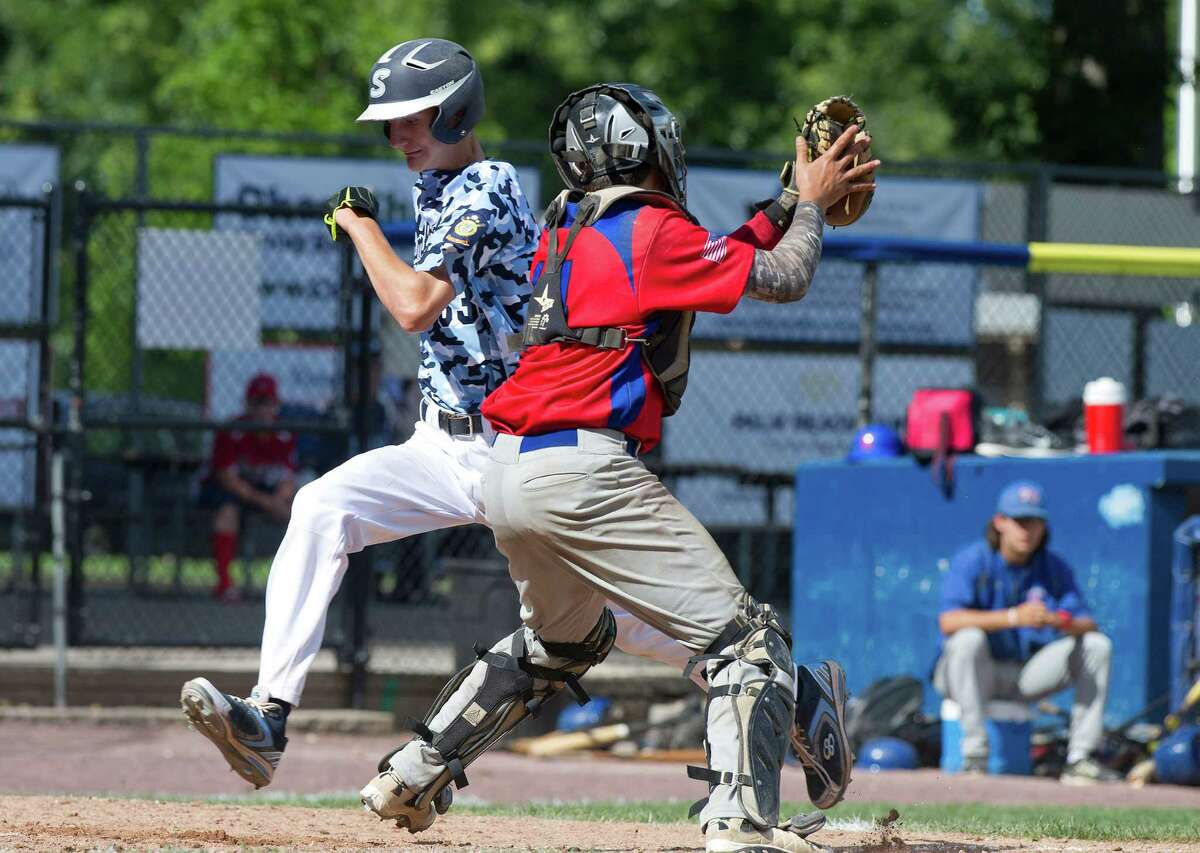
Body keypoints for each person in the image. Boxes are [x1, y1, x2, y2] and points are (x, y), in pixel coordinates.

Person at [178, 42, 823, 803]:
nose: (399, 138)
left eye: (412, 120)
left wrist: (355, 226)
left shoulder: (486, 185)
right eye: (389, 126)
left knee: (618, 618)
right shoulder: (441, 186)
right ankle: (267, 718)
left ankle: (795, 702)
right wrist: (785, 207)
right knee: (322, 507)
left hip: (512, 443)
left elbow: (415, 302)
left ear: (455, 109)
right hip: (439, 438)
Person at [358, 83, 877, 853]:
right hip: (584, 469)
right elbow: (782, 274)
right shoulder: (654, 229)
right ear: (645, 150)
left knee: (561, 643)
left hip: (509, 467)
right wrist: (807, 208)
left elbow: (710, 255)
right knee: (748, 644)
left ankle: (410, 773)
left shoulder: (566, 226)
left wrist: (785, 200)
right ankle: (739, 826)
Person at [935, 479, 1118, 783]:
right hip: (968, 674)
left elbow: (1088, 623)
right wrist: (1012, 617)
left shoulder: (1053, 567)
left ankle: (1080, 759)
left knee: (1097, 645)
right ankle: (974, 757)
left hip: (1024, 675)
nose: (1027, 530)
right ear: (1000, 522)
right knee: (967, 639)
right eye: (1019, 521)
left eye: (1034, 522)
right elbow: (948, 622)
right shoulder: (973, 559)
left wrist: (1059, 621)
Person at [199, 373, 297, 600]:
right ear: (247, 404)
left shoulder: (284, 433)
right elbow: (227, 479)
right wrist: (267, 502)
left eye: (268, 403)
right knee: (227, 513)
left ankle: (291, 585)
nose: (263, 409)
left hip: (265, 492)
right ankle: (225, 584)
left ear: (277, 405)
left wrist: (280, 501)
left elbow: (288, 478)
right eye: (257, 402)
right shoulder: (233, 431)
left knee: (301, 512)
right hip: (232, 493)